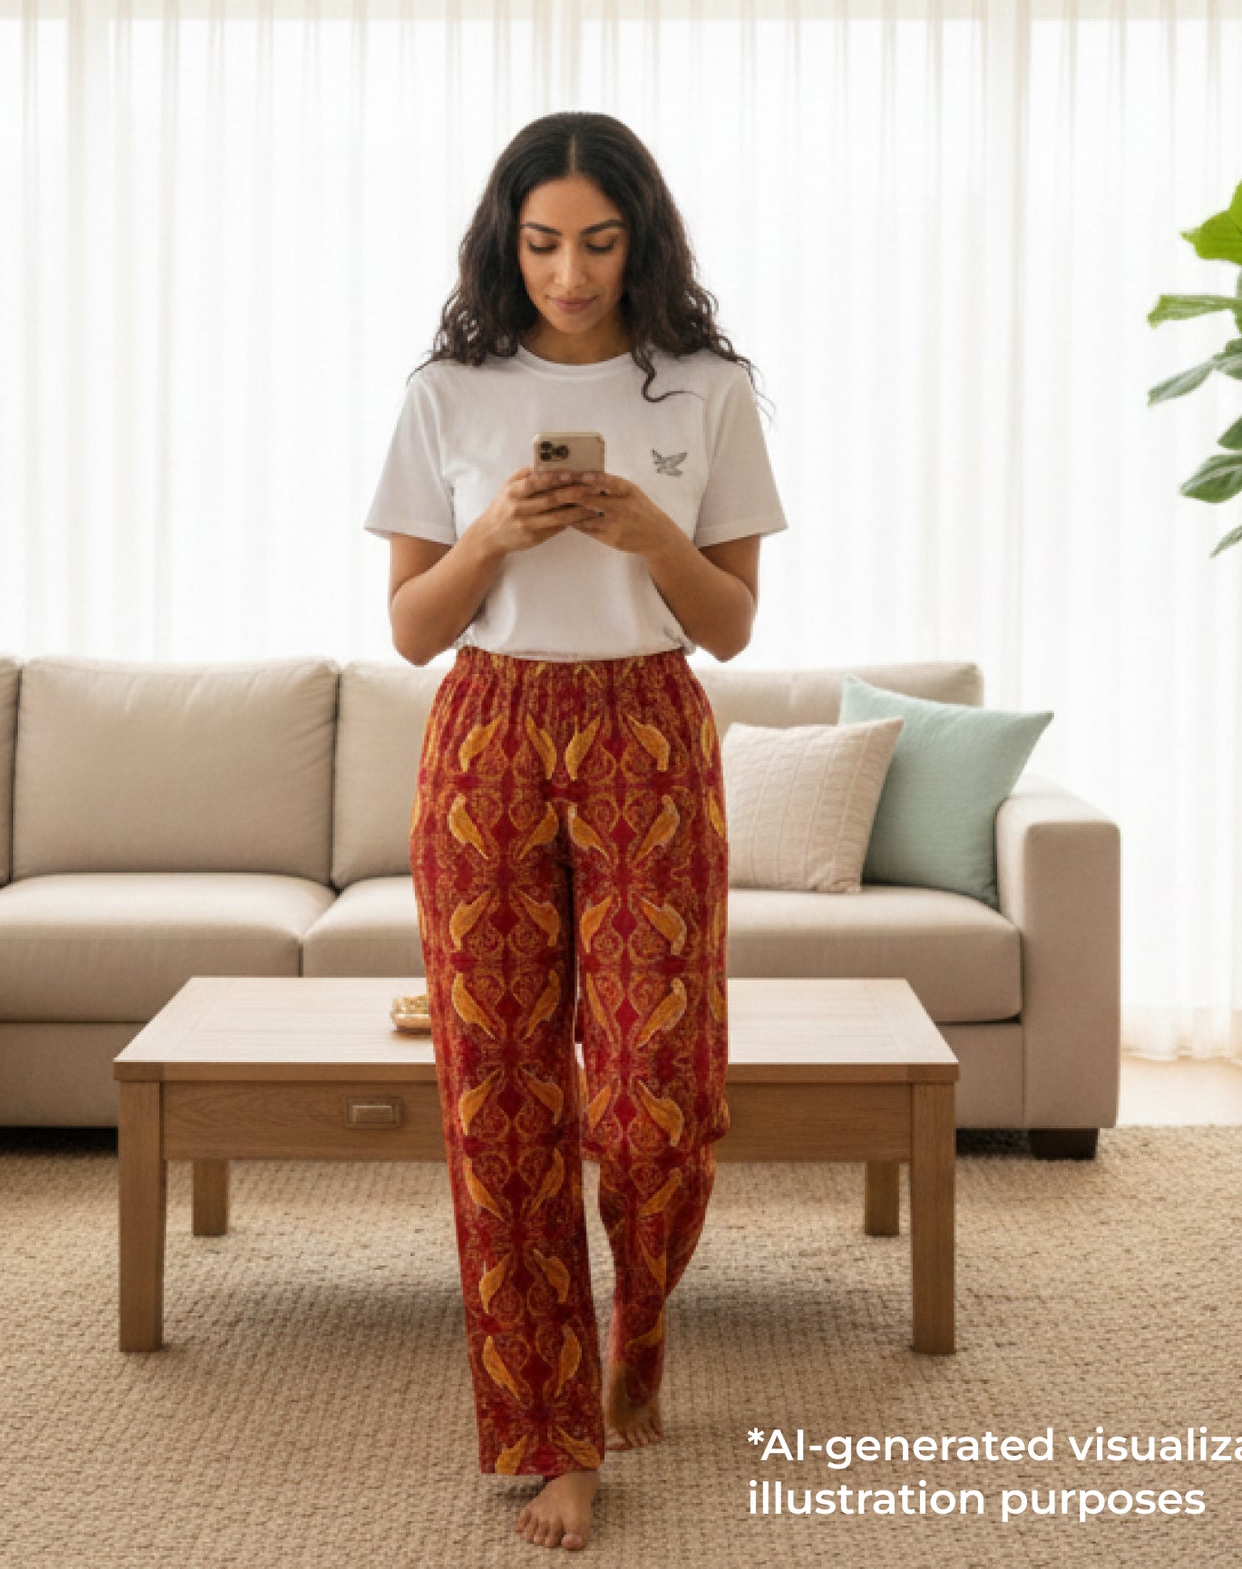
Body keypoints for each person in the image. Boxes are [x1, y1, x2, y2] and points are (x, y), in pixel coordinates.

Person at [362, 109, 788, 1552]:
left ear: (641, 240)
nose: (568, 272)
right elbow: (413, 629)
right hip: (485, 732)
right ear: (505, 239)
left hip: (648, 737)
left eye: (597, 242)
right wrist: (491, 536)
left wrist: (643, 535)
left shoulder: (708, 388)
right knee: (501, 1104)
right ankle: (554, 1436)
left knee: (651, 1097)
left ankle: (638, 1333)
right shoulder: (446, 389)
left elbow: (728, 623)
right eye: (541, 243)